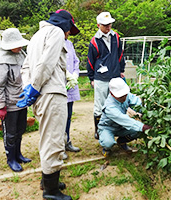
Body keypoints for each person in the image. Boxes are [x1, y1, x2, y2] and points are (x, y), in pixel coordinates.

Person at [16, 9, 79, 200]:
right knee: (54, 140)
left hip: (41, 96)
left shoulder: (36, 36)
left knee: (46, 137)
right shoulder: (57, 32)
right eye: (70, 30)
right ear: (65, 25)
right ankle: (51, 192)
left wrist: (30, 88)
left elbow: (26, 66)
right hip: (51, 93)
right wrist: (34, 87)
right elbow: (47, 63)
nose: (69, 34)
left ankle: (48, 180)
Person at [0, 28, 31, 172]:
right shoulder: (0, 61)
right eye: (17, 44)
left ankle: (18, 154)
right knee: (11, 133)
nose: (20, 47)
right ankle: (11, 159)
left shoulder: (20, 54)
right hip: (9, 104)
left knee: (20, 130)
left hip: (21, 101)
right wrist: (1, 106)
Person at [86, 11, 126, 140]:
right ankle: (99, 131)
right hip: (101, 78)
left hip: (115, 75)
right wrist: (91, 78)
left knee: (118, 103)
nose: (108, 27)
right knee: (100, 106)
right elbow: (90, 61)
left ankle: (119, 131)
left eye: (110, 24)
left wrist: (121, 69)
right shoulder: (94, 41)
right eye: (105, 25)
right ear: (98, 25)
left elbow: (120, 54)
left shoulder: (116, 37)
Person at [97, 77, 152, 156]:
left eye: (125, 95)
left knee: (137, 131)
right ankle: (106, 147)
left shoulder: (126, 96)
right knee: (108, 142)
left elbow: (138, 104)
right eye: (120, 96)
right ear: (112, 94)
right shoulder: (109, 107)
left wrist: (147, 113)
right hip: (108, 127)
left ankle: (122, 141)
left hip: (121, 126)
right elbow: (125, 120)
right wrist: (143, 127)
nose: (124, 97)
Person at [63, 36, 80, 159]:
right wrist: (67, 75)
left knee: (68, 116)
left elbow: (75, 61)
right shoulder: (53, 42)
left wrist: (74, 75)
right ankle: (58, 146)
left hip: (71, 85)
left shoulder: (69, 43)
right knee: (59, 119)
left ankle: (67, 141)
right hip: (59, 84)